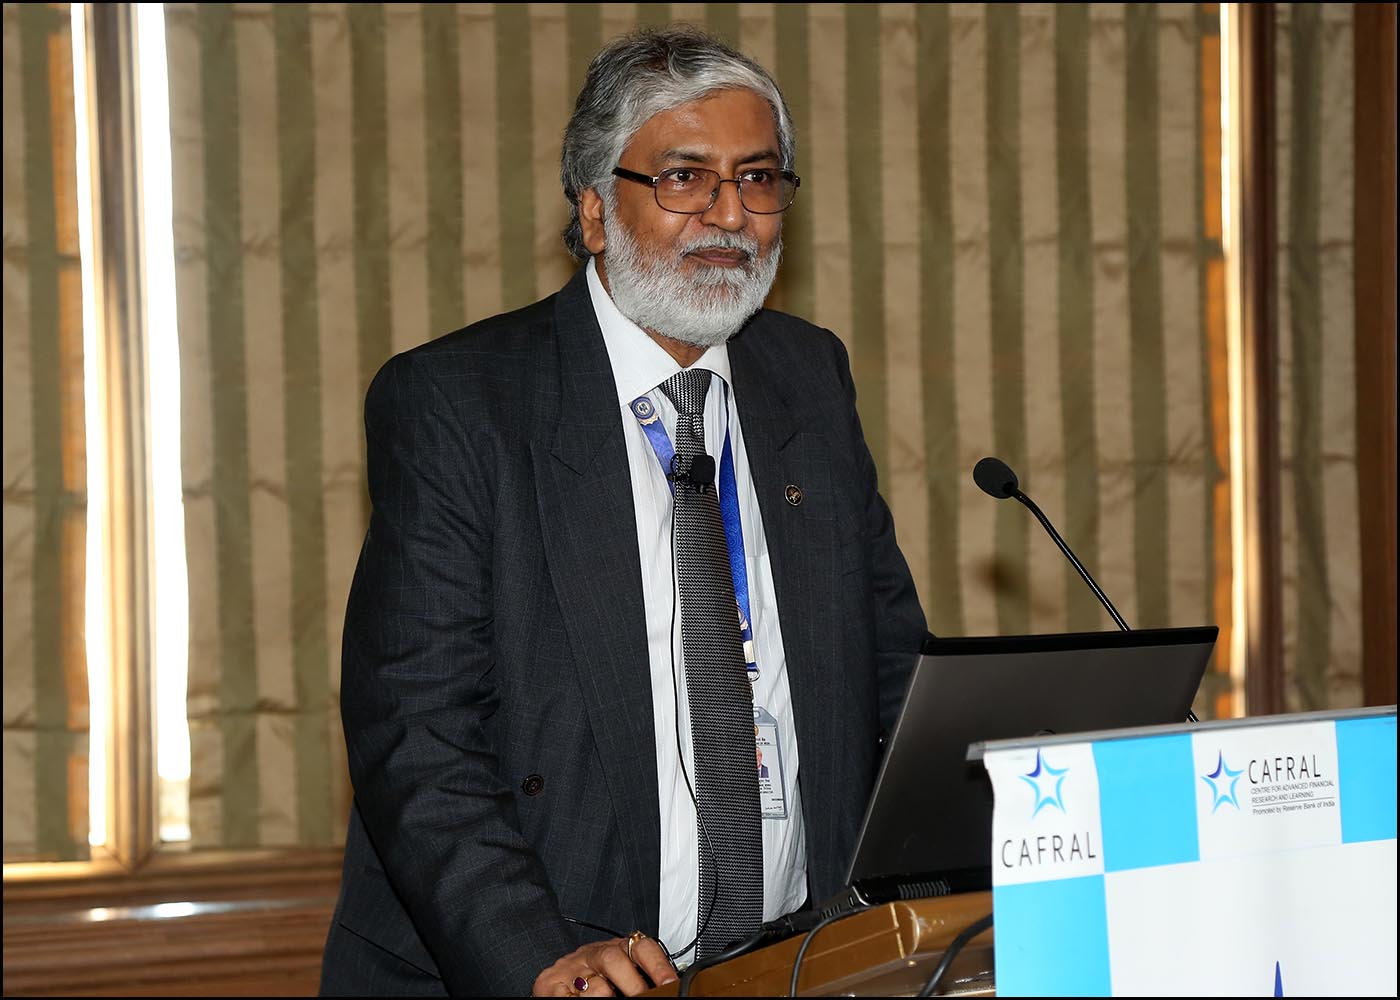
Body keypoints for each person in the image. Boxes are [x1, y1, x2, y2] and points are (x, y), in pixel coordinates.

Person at [319, 25, 926, 999]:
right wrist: (535, 953)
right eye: (685, 178)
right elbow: (415, 727)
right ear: (595, 211)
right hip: (551, 962)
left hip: (793, 965)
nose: (729, 215)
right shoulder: (460, 403)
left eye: (757, 179)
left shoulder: (807, 377)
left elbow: (890, 667)